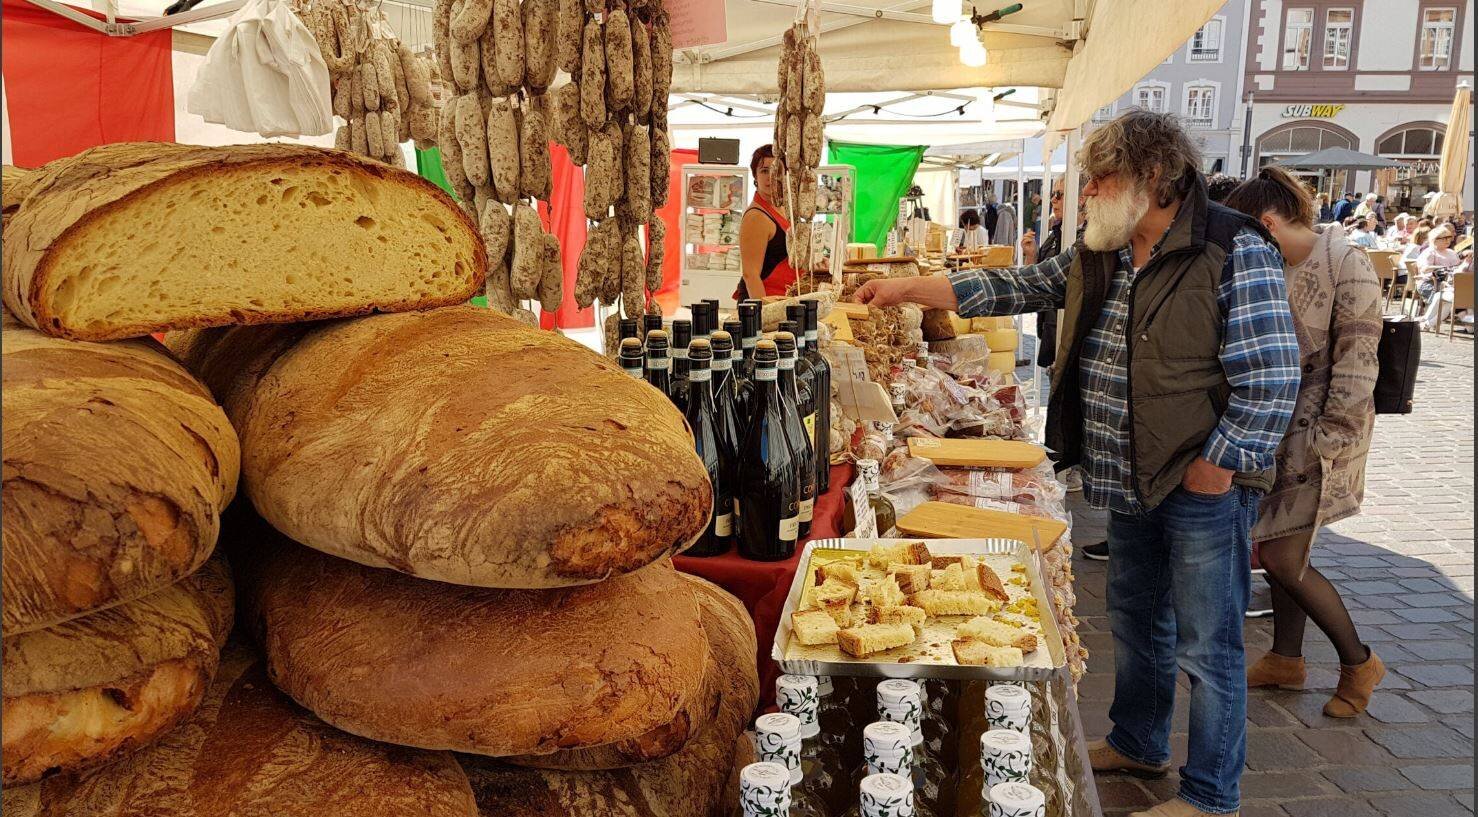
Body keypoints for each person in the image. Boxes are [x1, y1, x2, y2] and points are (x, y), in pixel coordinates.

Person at [855, 109, 1300, 817]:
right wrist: (906, 288)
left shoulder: (1232, 246)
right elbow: (1015, 287)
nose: (1087, 192)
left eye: (1102, 177)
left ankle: (1212, 794)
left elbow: (1272, 377)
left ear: (1154, 177)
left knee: (1207, 644)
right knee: (1135, 616)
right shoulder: (1107, 250)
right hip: (1127, 476)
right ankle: (1139, 740)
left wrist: (1218, 465)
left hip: (1199, 482)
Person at [1222, 167, 1385, 718]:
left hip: (1323, 435)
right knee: (1275, 544)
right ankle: (1286, 659)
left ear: (1267, 224)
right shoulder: (1284, 262)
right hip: (1279, 431)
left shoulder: (1347, 261)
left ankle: (1359, 662)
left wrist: (1331, 436)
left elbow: (1360, 359)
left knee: (1288, 556)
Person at [736, 145, 796, 299]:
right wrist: (763, 313)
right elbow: (750, 275)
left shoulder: (783, 207)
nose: (771, 177)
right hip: (762, 301)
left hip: (783, 297)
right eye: (764, 171)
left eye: (776, 170)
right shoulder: (756, 217)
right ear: (755, 177)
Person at [1416, 224, 1464, 330]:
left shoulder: (1451, 252)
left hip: (1449, 284)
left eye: (1449, 237)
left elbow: (1458, 267)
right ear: (1434, 240)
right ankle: (1428, 322)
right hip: (1430, 283)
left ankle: (1426, 321)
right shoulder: (1429, 252)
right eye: (1444, 238)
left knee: (1448, 298)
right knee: (1447, 300)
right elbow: (1424, 269)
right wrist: (1443, 267)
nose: (1448, 240)